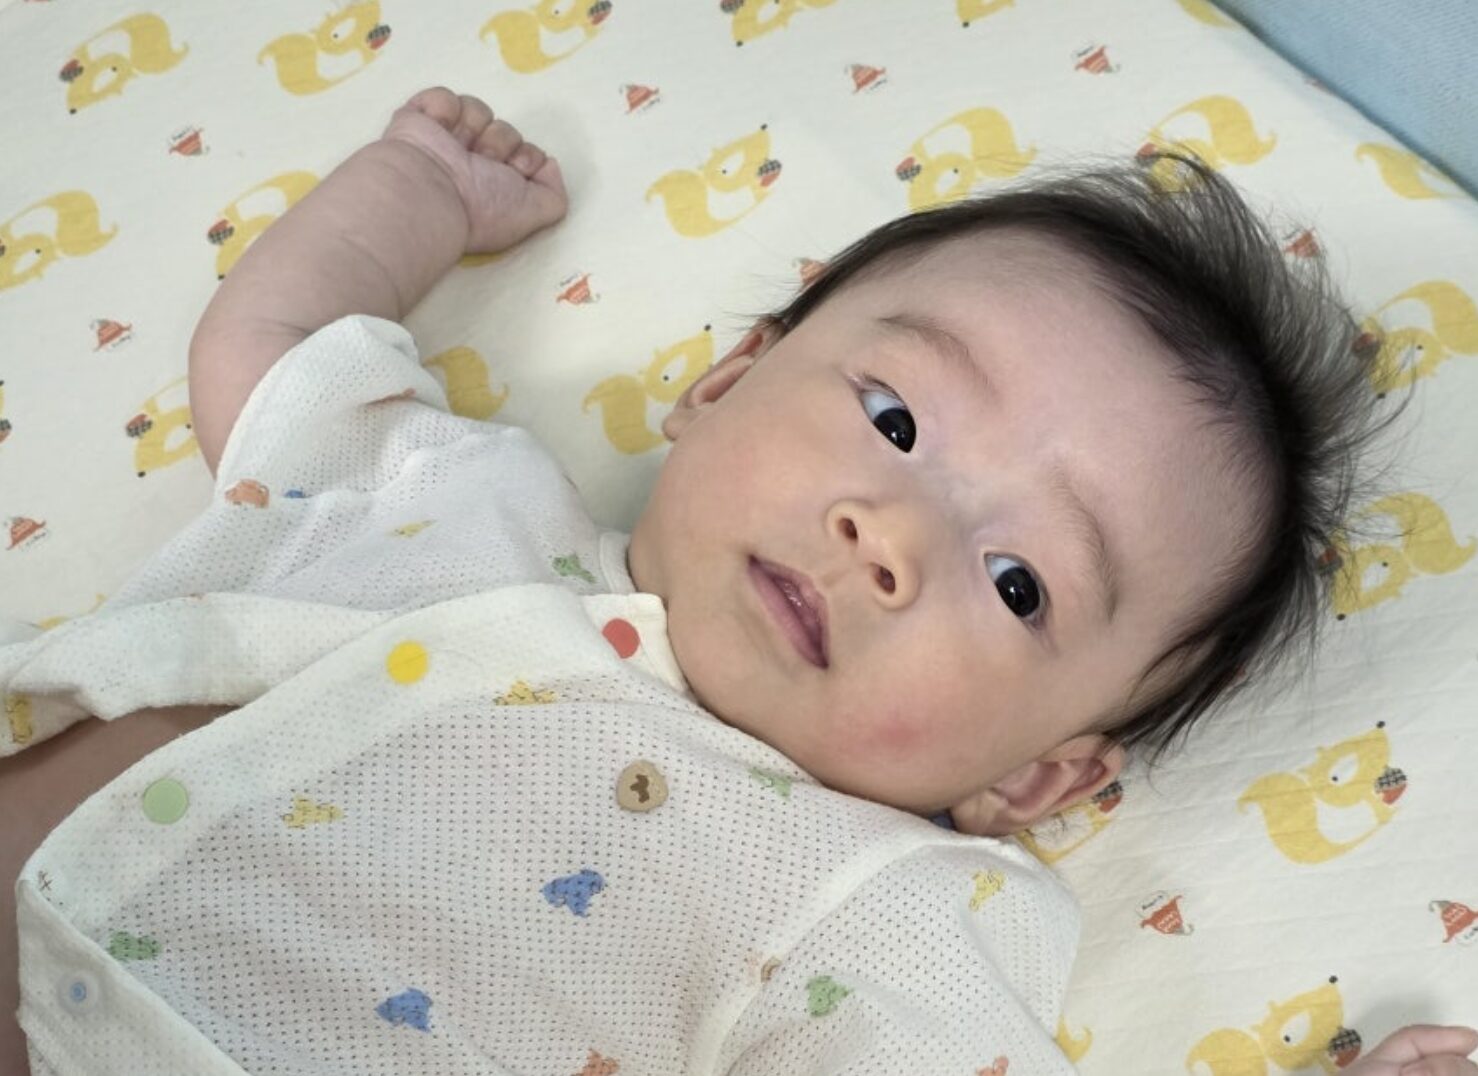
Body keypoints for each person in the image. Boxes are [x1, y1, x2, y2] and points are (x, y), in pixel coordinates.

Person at [1, 86, 1472, 1075]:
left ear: (1033, 780)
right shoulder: (453, 487)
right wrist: (420, 190)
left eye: (1020, 582)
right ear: (726, 380)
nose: (888, 534)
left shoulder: (882, 911)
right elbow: (271, 350)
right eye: (894, 419)